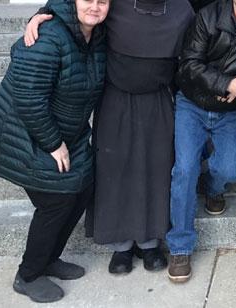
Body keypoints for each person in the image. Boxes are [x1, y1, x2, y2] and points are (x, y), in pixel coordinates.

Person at [24, 0, 197, 275]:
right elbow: (74, 5)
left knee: (157, 168)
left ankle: (150, 242)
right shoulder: (110, 2)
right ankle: (122, 246)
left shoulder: (183, 9)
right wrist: (42, 14)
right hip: (115, 97)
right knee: (115, 169)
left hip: (159, 99)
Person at [0, 0, 109, 302]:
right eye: (88, 0)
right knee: (55, 199)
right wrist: (53, 143)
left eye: (103, 1)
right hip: (23, 131)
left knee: (83, 189)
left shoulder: (96, 36)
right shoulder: (47, 37)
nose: (95, 7)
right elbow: (29, 98)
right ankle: (28, 275)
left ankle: (49, 259)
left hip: (68, 131)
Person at [167, 0, 236, 283]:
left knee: (230, 170)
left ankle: (212, 188)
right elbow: (188, 64)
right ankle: (180, 246)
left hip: (228, 111)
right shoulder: (208, 16)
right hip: (193, 102)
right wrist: (226, 83)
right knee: (185, 169)